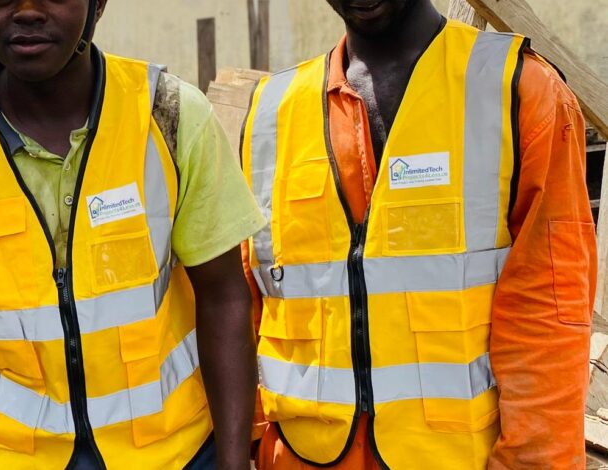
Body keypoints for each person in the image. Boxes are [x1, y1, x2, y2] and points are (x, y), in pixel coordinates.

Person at [0, 0, 265, 468]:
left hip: (170, 452)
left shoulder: (168, 116)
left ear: (97, 5)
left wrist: (232, 462)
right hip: (2, 456)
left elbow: (224, 296)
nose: (26, 11)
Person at [243, 0, 594, 468]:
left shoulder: (517, 90)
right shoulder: (272, 114)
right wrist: (245, 441)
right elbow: (245, 299)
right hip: (299, 457)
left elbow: (549, 307)